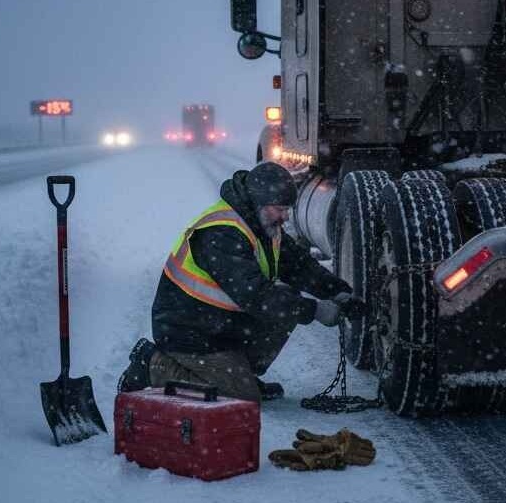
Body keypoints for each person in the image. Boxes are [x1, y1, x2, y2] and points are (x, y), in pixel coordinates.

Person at [117, 161, 365, 403]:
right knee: (243, 397)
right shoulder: (221, 233)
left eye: (287, 209)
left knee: (286, 302)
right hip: (186, 331)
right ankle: (152, 365)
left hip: (219, 324)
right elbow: (256, 296)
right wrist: (316, 310)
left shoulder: (263, 225)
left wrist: (338, 292)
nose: (285, 217)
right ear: (258, 203)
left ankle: (235, 375)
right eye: (279, 208)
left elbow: (300, 266)